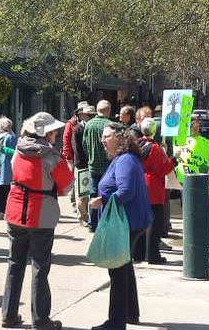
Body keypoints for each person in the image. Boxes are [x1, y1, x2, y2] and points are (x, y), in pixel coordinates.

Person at [2, 112, 73, 330]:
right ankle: (41, 320)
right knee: (40, 267)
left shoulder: (18, 151)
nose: (56, 134)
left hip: (15, 211)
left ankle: (9, 315)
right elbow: (66, 186)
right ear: (46, 133)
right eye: (54, 131)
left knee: (15, 264)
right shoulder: (52, 157)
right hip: (41, 215)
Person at [89, 122, 153, 329]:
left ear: (119, 138)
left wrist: (103, 200)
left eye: (106, 136)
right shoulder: (125, 158)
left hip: (126, 221)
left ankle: (116, 321)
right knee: (124, 267)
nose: (102, 140)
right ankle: (130, 313)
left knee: (117, 270)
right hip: (131, 220)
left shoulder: (125, 160)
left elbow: (125, 192)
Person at [138, 118, 175, 264]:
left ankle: (139, 253)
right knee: (155, 223)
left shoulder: (137, 144)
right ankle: (153, 255)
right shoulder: (155, 148)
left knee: (141, 221)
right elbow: (163, 169)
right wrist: (173, 160)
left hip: (141, 184)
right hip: (153, 187)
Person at [83, 100, 113, 231]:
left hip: (93, 165)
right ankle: (103, 223)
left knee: (93, 194)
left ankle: (92, 223)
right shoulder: (111, 125)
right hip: (108, 166)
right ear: (108, 111)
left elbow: (84, 144)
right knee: (106, 194)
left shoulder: (88, 125)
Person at [72, 105, 96, 225]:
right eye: (88, 115)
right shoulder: (78, 129)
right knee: (82, 194)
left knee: (90, 192)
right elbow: (77, 148)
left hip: (92, 165)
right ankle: (83, 217)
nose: (90, 117)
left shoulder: (93, 128)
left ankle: (90, 216)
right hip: (82, 165)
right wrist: (83, 162)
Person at [0, 116, 17, 221]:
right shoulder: (10, 137)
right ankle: (2, 211)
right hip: (5, 166)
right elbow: (13, 152)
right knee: (5, 190)